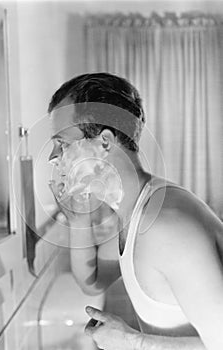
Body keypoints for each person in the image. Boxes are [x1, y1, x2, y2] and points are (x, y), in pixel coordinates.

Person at [48, 72, 223, 350]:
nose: (53, 157)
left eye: (63, 143)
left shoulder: (164, 226)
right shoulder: (133, 210)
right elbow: (92, 282)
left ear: (104, 143)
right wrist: (79, 219)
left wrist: (132, 341)